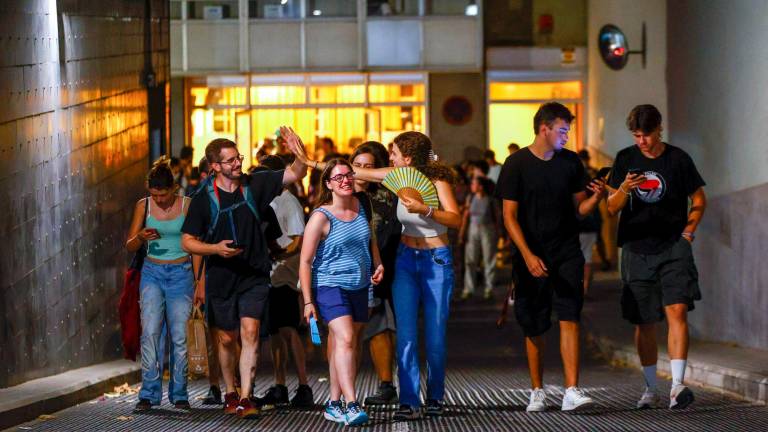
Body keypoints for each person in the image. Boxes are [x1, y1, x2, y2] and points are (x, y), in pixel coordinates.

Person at [289, 130, 462, 420]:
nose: (389, 157)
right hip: (406, 258)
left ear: (407, 157)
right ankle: (408, 400)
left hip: (436, 259)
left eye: (393, 153)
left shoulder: (437, 180)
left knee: (434, 334)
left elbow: (455, 218)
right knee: (405, 333)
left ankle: (434, 396)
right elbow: (352, 171)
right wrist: (308, 161)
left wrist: (426, 209)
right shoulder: (396, 176)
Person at [181, 131, 307, 419]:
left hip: (254, 274)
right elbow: (187, 241)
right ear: (214, 166)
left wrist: (299, 151)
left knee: (250, 333)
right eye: (231, 160)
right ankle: (230, 390)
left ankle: (247, 396)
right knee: (226, 338)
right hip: (222, 275)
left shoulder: (256, 184)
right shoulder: (201, 198)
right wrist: (214, 248)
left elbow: (296, 173)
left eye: (239, 157)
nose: (238, 163)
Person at [496, 102, 605, 412]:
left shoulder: (570, 163)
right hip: (530, 255)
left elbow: (580, 209)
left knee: (570, 315)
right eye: (562, 130)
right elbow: (509, 216)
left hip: (567, 251)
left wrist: (596, 196)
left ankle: (572, 389)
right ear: (544, 128)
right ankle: (537, 390)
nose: (566, 136)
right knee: (534, 323)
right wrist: (528, 255)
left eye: (568, 131)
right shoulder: (515, 164)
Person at [606, 104, 706, 410]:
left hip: (673, 246)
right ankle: (650, 388)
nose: (641, 141)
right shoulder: (625, 158)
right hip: (636, 249)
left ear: (658, 129)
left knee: (677, 310)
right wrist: (624, 187)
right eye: (636, 135)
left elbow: (699, 198)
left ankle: (677, 385)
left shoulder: (678, 159)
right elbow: (611, 207)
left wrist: (689, 231)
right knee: (644, 320)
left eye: (646, 135)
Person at [299, 158, 384, 426]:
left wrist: (378, 263)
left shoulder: (362, 206)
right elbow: (305, 261)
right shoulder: (320, 217)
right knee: (345, 338)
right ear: (328, 184)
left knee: (345, 344)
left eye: (348, 175)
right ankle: (351, 402)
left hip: (360, 285)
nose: (345, 180)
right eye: (338, 178)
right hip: (329, 285)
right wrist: (308, 302)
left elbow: (370, 241)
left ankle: (334, 402)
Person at [125, 156, 200, 412]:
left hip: (182, 272)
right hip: (152, 272)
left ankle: (179, 394)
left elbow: (197, 246)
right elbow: (130, 244)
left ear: (173, 189)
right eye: (154, 195)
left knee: (179, 336)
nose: (159, 200)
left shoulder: (187, 205)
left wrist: (199, 281)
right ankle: (148, 393)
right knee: (151, 333)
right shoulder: (143, 206)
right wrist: (141, 236)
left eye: (163, 195)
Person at [253, 155, 314, 410]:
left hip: (285, 272)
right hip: (273, 271)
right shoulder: (268, 201)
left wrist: (279, 255)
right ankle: (280, 385)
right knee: (276, 331)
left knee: (288, 329)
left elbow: (300, 239)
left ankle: (303, 385)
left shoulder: (288, 202)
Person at [349, 142, 402, 406]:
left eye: (368, 167)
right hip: (348, 274)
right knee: (350, 333)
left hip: (386, 271)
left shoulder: (387, 196)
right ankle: (345, 392)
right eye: (356, 166)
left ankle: (387, 384)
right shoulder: (341, 195)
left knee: (379, 326)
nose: (361, 172)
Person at [459, 176, 501, 301]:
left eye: (474, 184)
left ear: (481, 186)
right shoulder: (470, 198)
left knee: (489, 259)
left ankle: (489, 288)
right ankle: (468, 289)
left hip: (487, 229)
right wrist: (462, 233)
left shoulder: (490, 200)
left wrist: (500, 233)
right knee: (470, 259)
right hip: (473, 229)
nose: (472, 186)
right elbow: (466, 216)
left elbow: (497, 218)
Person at [577, 150, 602, 296]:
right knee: (587, 257)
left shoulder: (572, 175)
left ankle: (580, 285)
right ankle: (585, 286)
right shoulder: (593, 174)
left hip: (578, 224)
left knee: (579, 257)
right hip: (591, 221)